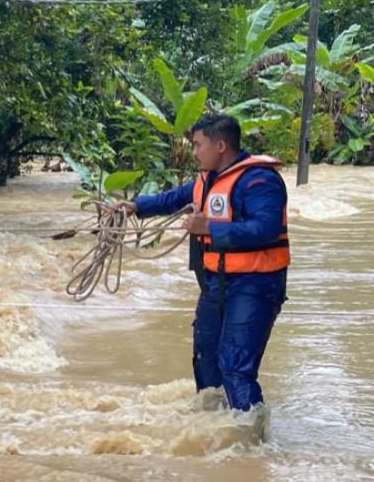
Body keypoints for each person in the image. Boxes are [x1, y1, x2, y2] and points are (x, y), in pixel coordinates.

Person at [111, 113, 288, 412]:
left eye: (197, 145)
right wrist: (135, 206)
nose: (193, 152)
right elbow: (173, 199)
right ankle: (213, 431)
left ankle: (250, 443)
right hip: (216, 282)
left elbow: (266, 228)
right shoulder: (206, 179)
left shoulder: (259, 181)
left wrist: (210, 228)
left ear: (220, 145)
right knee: (206, 355)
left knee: (235, 366)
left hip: (255, 284)